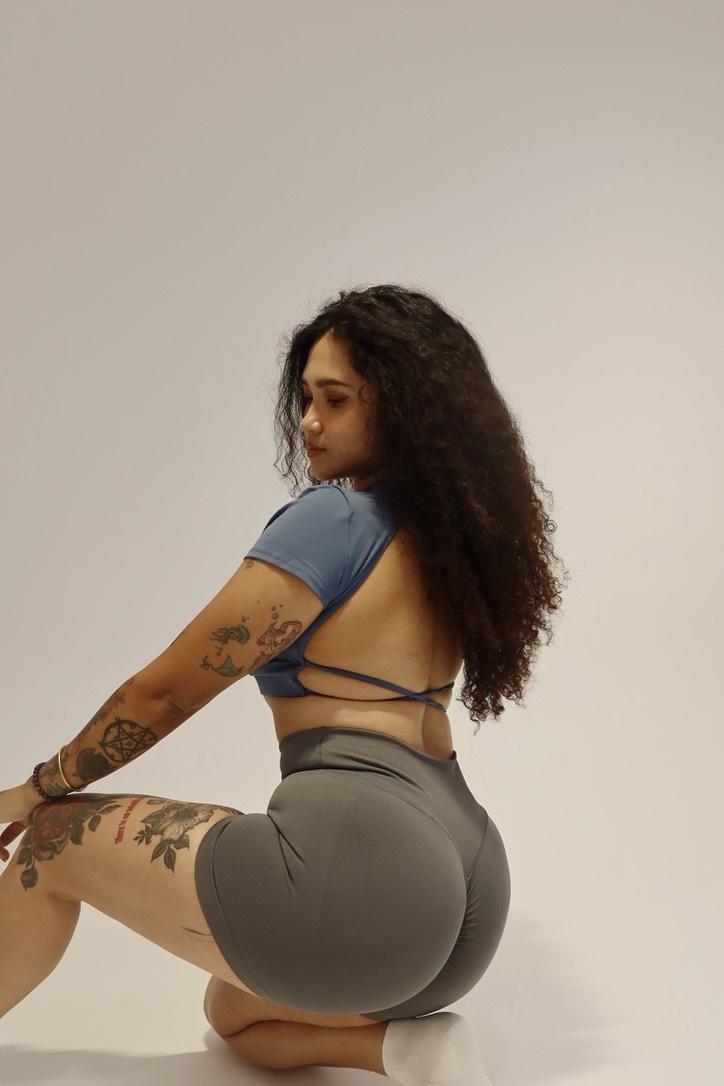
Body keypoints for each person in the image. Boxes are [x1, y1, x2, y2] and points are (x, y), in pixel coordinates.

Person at [0, 284, 567, 1084]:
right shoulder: (450, 538)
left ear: (402, 408)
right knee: (235, 1009)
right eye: (305, 398)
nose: (308, 421)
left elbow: (164, 694)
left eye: (335, 400)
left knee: (53, 841)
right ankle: (409, 1050)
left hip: (366, 869)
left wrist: (33, 792)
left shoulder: (335, 521)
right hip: (468, 894)